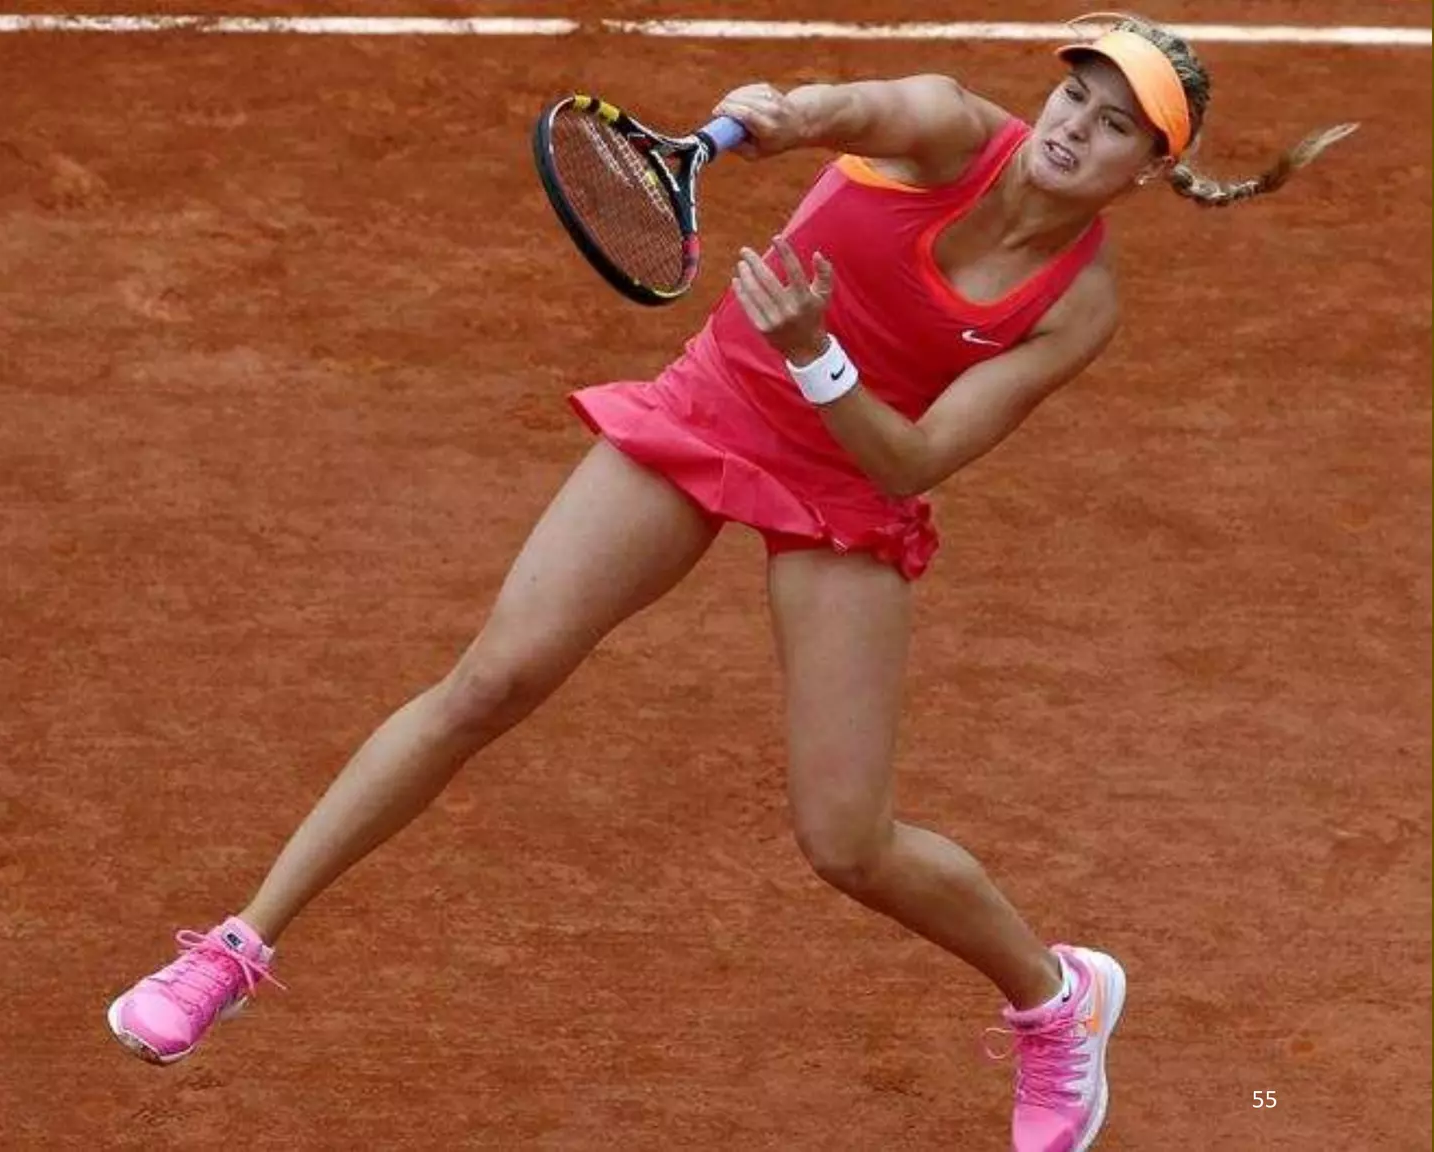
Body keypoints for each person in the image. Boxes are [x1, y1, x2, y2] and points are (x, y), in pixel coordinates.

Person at [106, 13, 1353, 1150]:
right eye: (1074, 98)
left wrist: (817, 356)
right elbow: (840, 107)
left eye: (1114, 126)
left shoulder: (1076, 307)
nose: (1076, 130)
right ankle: (231, 949)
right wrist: (780, 113)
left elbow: (912, 453)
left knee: (846, 841)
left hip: (849, 486)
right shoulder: (943, 122)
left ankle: (1056, 1000)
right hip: (709, 408)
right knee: (492, 679)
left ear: (1143, 170)